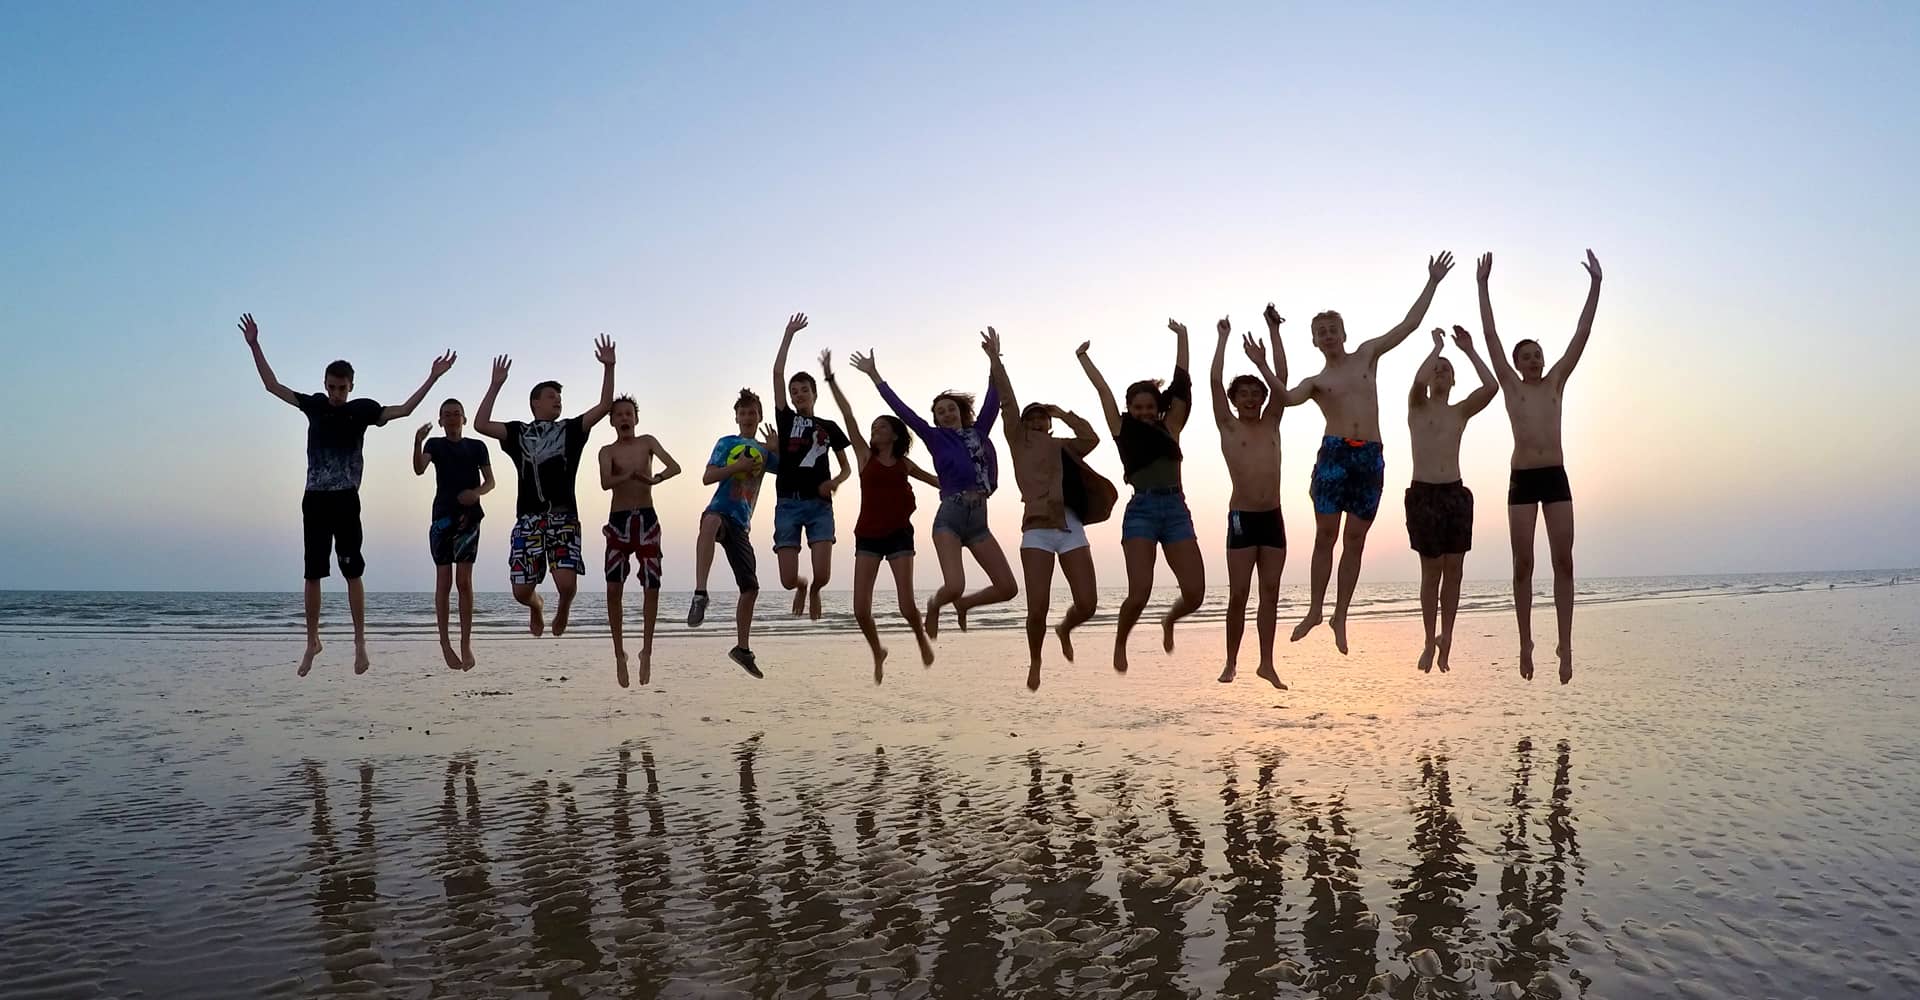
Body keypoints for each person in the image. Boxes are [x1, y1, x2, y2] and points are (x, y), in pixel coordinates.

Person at [238, 313, 454, 676]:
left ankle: (359, 642)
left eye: (342, 388)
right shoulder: (315, 406)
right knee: (312, 573)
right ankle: (312, 641)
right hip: (315, 498)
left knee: (353, 571)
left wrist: (433, 377)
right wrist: (255, 344)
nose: (336, 394)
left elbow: (404, 409)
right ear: (325, 384)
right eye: (332, 387)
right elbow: (272, 386)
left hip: (346, 499)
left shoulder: (362, 410)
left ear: (351, 386)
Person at [1281, 252, 1455, 654]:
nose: (1328, 335)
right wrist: (1267, 363)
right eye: (1321, 331)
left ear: (1343, 333)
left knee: (1355, 540)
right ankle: (1314, 610)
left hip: (1369, 456)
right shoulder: (1316, 380)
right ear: (1314, 340)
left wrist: (1432, 282)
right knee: (1325, 535)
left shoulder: (1366, 354)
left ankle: (1341, 614)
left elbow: (1408, 326)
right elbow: (1288, 399)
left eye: (1332, 329)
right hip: (1334, 454)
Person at [1479, 250, 1603, 684]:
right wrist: (1482, 286)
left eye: (1538, 355)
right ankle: (1525, 642)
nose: (1534, 361)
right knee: (1522, 564)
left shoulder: (1555, 383)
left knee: (1564, 562)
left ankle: (1565, 645)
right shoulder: (1512, 387)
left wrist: (1596, 285)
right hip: (1522, 480)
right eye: (1527, 356)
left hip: (1555, 477)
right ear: (1516, 364)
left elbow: (1581, 334)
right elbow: (1491, 336)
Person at [982, 328, 1117, 690]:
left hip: (1071, 527)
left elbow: (1092, 438)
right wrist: (996, 360)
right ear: (1025, 424)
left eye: (1044, 417)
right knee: (1036, 607)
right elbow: (1008, 402)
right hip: (1037, 530)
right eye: (1034, 417)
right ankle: (1036, 660)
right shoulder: (1019, 440)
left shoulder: (1063, 447)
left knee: (1087, 603)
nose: (1039, 421)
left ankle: (1066, 628)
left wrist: (1064, 413)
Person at [1077, 319, 1205, 673]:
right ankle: (1120, 642)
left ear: (1158, 408)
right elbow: (1103, 391)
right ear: (1130, 410)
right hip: (1142, 511)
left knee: (1195, 594)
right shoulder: (1123, 430)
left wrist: (1183, 337)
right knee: (1140, 592)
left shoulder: (1172, 426)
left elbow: (1182, 384)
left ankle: (1170, 620)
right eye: (1138, 408)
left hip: (1176, 509)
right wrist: (1084, 359)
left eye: (1150, 406)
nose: (1145, 412)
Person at [860, 350, 1018, 635]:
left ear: (960, 411)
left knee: (1008, 588)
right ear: (935, 419)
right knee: (955, 585)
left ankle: (965, 605)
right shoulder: (934, 438)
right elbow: (902, 410)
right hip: (950, 519)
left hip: (979, 521)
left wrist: (994, 359)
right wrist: (875, 375)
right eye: (940, 411)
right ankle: (935, 605)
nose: (946, 414)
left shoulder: (980, 432)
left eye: (950, 409)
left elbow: (993, 397)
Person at [473, 338, 617, 639]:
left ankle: (564, 606)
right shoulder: (518, 432)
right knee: (521, 591)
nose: (557, 401)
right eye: (551, 396)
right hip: (529, 519)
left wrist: (609, 366)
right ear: (534, 403)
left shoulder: (571, 430)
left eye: (559, 398)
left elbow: (604, 406)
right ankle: (536, 606)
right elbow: (481, 423)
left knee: (566, 584)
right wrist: (495, 385)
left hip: (563, 517)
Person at [821, 349, 940, 682]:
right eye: (873, 426)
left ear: (894, 434)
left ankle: (920, 640)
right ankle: (877, 651)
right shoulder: (864, 456)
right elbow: (848, 416)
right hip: (869, 535)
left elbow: (937, 480)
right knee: (860, 609)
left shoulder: (903, 463)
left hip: (900, 533)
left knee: (905, 605)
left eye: (881, 426)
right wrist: (830, 379)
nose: (874, 430)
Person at [1405, 326, 1498, 674]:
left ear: (1454, 380)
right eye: (1436, 369)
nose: (1440, 372)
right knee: (1431, 574)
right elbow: (1416, 381)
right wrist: (1437, 349)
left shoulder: (1459, 411)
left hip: (1454, 493)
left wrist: (1470, 350)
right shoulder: (1417, 404)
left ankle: (1447, 638)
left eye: (1446, 369)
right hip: (1424, 493)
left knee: (1454, 572)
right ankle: (1429, 639)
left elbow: (1491, 387)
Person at [1212, 306, 1295, 688]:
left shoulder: (1272, 421)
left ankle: (1266, 663)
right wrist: (1223, 339)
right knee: (1240, 593)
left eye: (1255, 394)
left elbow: (1283, 378)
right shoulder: (1228, 425)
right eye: (1242, 394)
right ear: (1234, 400)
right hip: (1242, 518)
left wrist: (1272, 332)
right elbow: (1214, 382)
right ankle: (1230, 661)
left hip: (1273, 516)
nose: (1250, 398)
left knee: (1271, 593)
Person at [688, 389, 779, 677]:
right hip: (719, 509)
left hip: (741, 524)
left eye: (753, 413)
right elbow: (707, 477)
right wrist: (736, 466)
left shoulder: (765, 451)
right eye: (743, 413)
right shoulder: (726, 443)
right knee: (709, 523)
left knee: (751, 588)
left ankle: (742, 649)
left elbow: (791, 471)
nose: (748, 417)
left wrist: (776, 448)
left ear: (760, 416)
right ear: (737, 417)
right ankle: (700, 594)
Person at [769, 313, 853, 620]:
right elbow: (777, 373)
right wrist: (789, 334)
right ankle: (803, 587)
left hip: (820, 505)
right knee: (787, 579)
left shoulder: (829, 426)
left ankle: (816, 590)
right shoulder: (786, 419)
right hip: (788, 504)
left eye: (804, 389)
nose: (798, 394)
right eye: (794, 391)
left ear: (814, 394)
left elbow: (846, 468)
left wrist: (836, 482)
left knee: (825, 574)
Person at [598, 394, 682, 688]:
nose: (624, 418)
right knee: (613, 588)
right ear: (611, 421)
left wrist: (655, 479)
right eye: (618, 414)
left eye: (628, 414)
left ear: (636, 419)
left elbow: (674, 467)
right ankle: (619, 652)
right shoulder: (606, 450)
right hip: (619, 522)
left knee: (652, 585)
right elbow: (605, 482)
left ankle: (647, 649)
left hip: (647, 519)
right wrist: (629, 476)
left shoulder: (647, 442)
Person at [412, 399, 495, 672]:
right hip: (442, 518)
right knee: (444, 582)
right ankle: (445, 643)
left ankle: (466, 642)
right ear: (440, 420)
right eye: (446, 414)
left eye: (456, 414)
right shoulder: (434, 445)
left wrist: (476, 494)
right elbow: (419, 469)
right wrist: (417, 442)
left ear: (464, 418)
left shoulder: (477, 446)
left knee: (464, 582)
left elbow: (490, 481)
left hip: (469, 518)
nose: (451, 418)